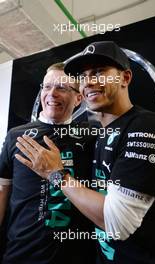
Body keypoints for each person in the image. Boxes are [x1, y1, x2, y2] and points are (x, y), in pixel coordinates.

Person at [15, 41, 155, 264]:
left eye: (99, 72)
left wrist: (56, 174)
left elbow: (117, 223)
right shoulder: (98, 134)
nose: (88, 82)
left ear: (125, 78)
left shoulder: (146, 126)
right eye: (83, 76)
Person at [0, 62, 96, 264]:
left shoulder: (91, 137)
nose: (52, 94)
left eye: (62, 87)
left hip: (74, 256)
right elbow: (2, 190)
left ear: (78, 98)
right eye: (47, 86)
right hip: (20, 254)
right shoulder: (16, 136)